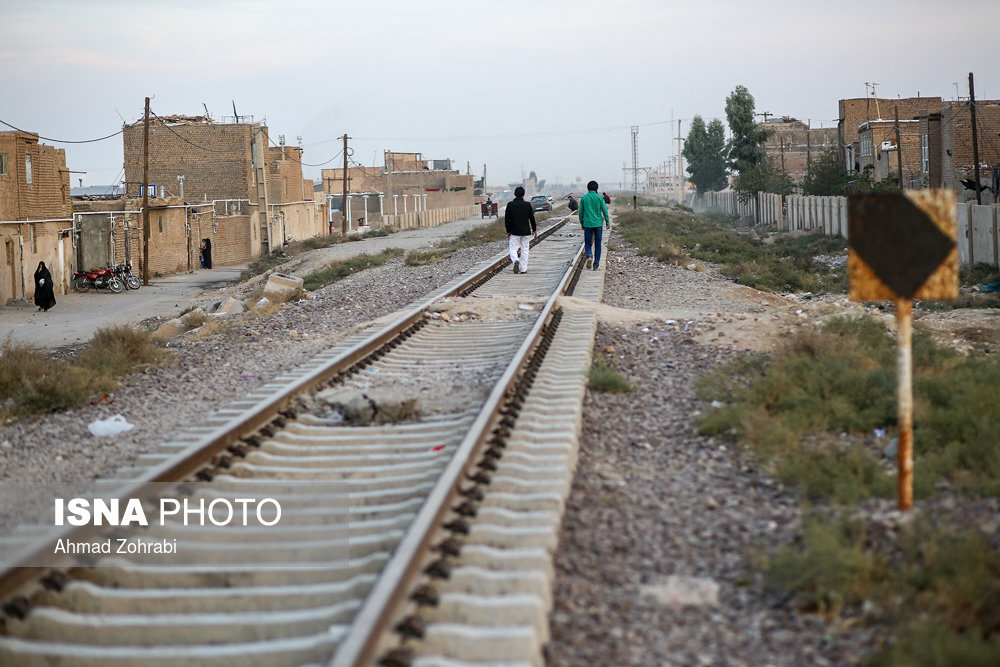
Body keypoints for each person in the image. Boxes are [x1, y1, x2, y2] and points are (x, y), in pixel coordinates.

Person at [504, 186, 536, 274]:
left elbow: (507, 219)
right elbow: (532, 218)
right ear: (524, 194)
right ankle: (523, 269)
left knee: (513, 248)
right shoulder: (527, 204)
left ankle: (515, 261)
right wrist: (534, 229)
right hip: (526, 231)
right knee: (525, 249)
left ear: (514, 194)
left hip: (514, 231)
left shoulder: (510, 205)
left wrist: (508, 231)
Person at [579, 180, 610, 270]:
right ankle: (596, 264)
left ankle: (589, 255)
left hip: (587, 224)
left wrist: (582, 222)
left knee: (588, 243)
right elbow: (604, 210)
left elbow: (581, 212)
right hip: (598, 224)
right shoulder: (599, 198)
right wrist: (607, 222)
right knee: (598, 244)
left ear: (587, 188)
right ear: (597, 188)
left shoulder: (584, 198)